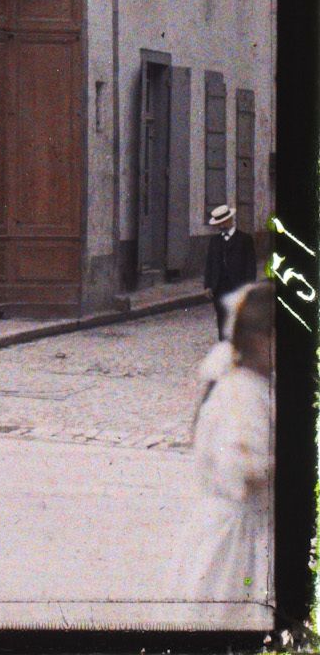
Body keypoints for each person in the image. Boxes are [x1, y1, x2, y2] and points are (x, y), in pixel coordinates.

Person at [174, 280, 273, 602]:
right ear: (258, 339)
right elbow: (246, 468)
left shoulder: (259, 386)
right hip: (243, 538)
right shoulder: (241, 392)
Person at [203, 204, 258, 336]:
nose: (221, 226)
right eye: (219, 224)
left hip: (238, 286)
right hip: (219, 286)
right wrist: (208, 285)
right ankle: (224, 346)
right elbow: (209, 264)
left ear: (230, 220)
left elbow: (251, 266)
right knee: (221, 318)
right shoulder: (214, 241)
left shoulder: (244, 239)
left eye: (223, 222)